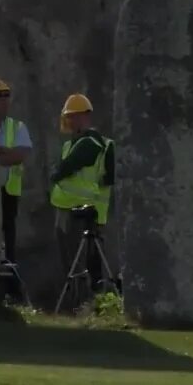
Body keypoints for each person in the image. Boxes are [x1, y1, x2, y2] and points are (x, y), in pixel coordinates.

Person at [49, 92, 115, 297]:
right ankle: (81, 304)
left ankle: (91, 303)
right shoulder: (71, 144)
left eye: (72, 116)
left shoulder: (94, 144)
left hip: (85, 213)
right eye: (68, 116)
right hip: (68, 209)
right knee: (75, 264)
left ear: (83, 116)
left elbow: (66, 169)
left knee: (86, 264)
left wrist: (57, 174)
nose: (69, 121)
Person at [0, 78, 32, 266]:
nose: (4, 100)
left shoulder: (17, 127)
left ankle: (9, 280)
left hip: (8, 191)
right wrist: (3, 153)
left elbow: (20, 156)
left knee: (8, 237)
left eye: (7, 96)